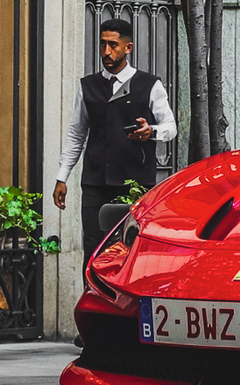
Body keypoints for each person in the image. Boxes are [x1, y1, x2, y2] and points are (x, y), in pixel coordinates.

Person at [52, 18, 177, 250]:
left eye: (113, 45)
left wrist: (151, 131)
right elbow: (76, 133)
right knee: (93, 248)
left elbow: (171, 127)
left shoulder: (149, 84)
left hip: (136, 183)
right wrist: (62, 176)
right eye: (102, 44)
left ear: (128, 48)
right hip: (95, 183)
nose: (106, 51)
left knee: (132, 248)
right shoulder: (88, 86)